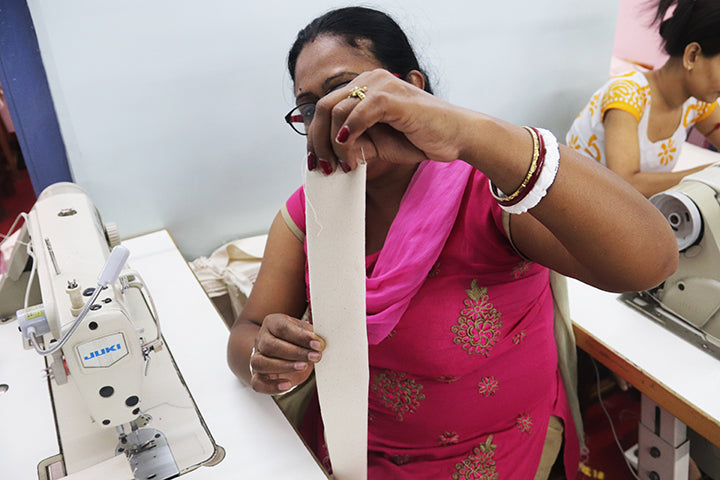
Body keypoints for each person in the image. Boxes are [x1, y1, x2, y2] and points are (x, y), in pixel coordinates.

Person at [227, 6, 677, 479]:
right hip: (357, 455)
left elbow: (650, 262)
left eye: (346, 91)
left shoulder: (489, 195)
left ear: (412, 89)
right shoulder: (311, 214)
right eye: (310, 106)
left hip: (500, 453)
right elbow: (247, 333)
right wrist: (263, 355)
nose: (331, 116)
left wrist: (467, 132)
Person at [567, 0, 720, 198]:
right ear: (692, 56)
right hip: (580, 203)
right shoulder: (626, 96)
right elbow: (626, 184)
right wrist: (708, 173)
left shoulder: (697, 104)